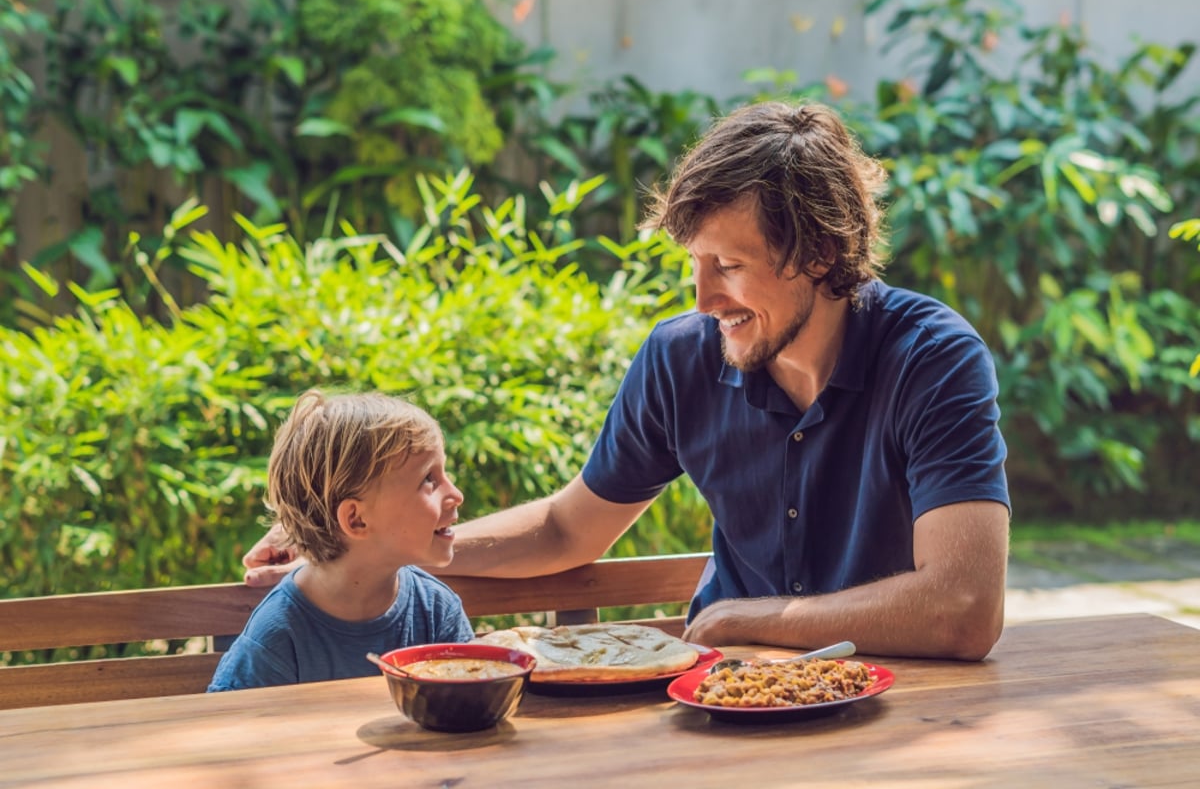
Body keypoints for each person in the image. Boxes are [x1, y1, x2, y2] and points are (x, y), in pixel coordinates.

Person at [243, 100, 1011, 661]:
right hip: (730, 697)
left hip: (899, 703)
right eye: (696, 264)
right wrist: (371, 543)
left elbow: (963, 608)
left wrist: (753, 618)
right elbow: (565, 530)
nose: (704, 300)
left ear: (817, 254)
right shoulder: (682, 359)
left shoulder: (933, 359)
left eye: (730, 267)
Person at [209, 389, 474, 691]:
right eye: (429, 479)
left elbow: (468, 706)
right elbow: (230, 726)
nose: (456, 495)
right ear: (356, 519)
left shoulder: (436, 611)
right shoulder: (279, 636)